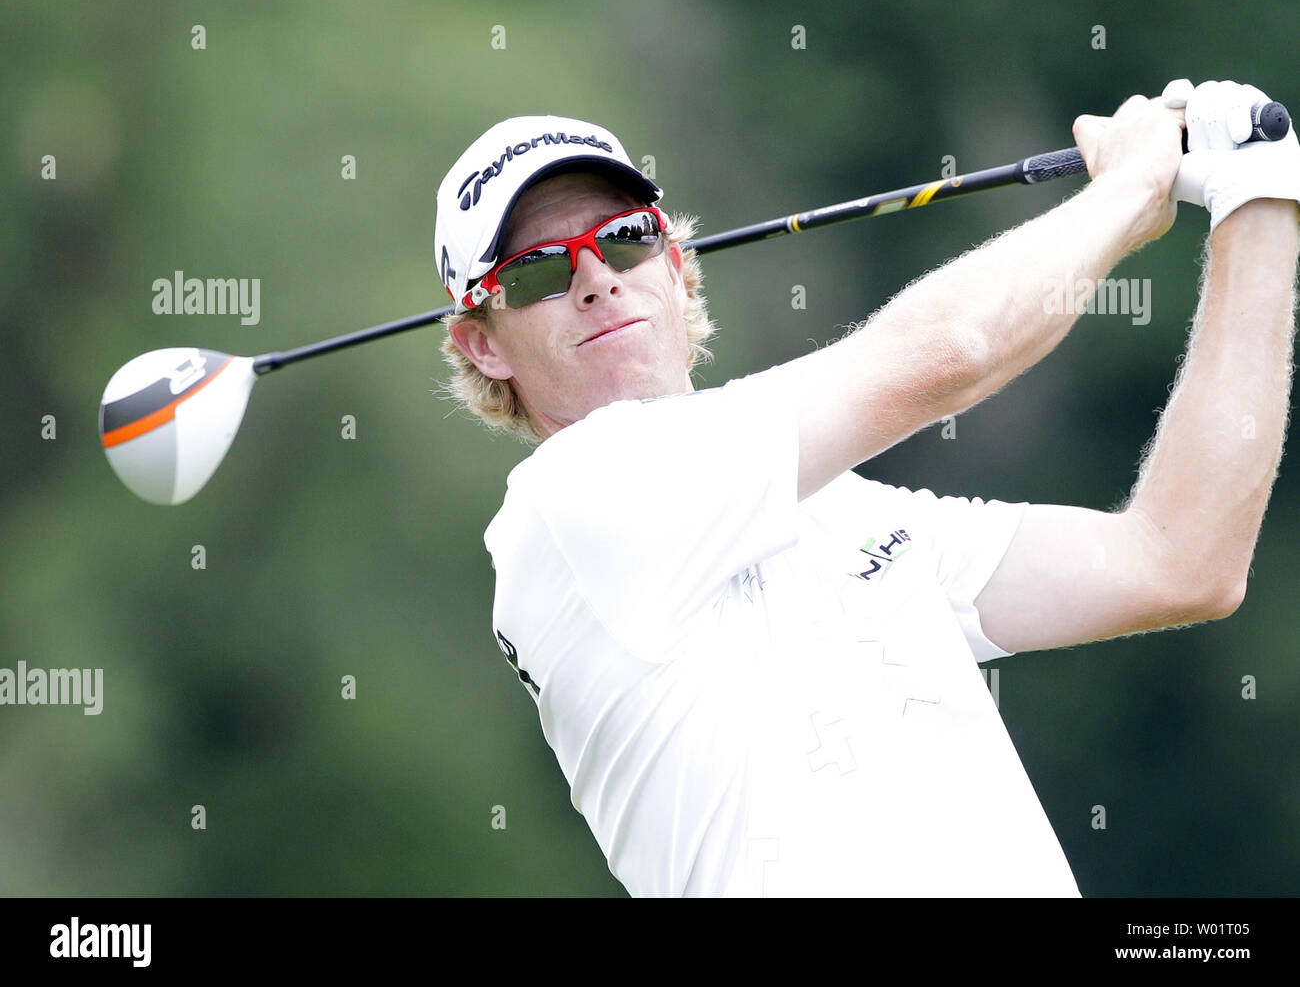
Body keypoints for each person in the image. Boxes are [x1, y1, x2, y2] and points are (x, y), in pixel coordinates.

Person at [432, 81, 1300, 897]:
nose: (595, 277)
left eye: (624, 239)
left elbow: (1180, 562)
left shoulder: (846, 512)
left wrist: (1257, 202)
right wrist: (1131, 187)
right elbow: (953, 351)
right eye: (540, 272)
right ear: (483, 346)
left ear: (677, 263)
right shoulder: (570, 501)